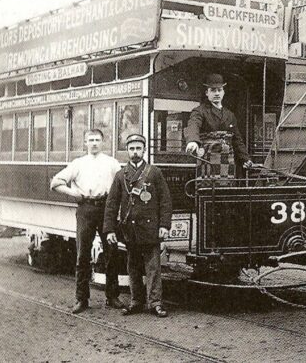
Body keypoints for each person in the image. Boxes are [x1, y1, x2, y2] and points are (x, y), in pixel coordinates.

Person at [50, 129, 124, 314]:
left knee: (111, 252)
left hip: (107, 209)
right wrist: (73, 193)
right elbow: (55, 183)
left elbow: (123, 185)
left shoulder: (112, 163)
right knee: (82, 254)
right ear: (85, 143)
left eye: (97, 140)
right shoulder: (78, 163)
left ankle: (112, 296)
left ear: (103, 142)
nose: (94, 143)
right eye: (90, 140)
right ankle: (81, 299)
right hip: (86, 209)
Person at [103, 133, 172, 318]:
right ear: (127, 151)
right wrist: (109, 229)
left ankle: (155, 303)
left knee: (153, 267)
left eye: (138, 148)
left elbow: (165, 201)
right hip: (130, 230)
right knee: (132, 267)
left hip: (150, 228)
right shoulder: (120, 175)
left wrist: (164, 225)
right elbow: (112, 204)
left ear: (144, 150)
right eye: (131, 149)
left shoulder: (154, 172)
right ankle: (136, 301)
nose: (135, 152)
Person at [185, 73, 254, 169]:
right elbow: (193, 124)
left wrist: (246, 159)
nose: (217, 93)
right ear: (207, 93)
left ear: (223, 92)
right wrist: (192, 141)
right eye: (213, 90)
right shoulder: (200, 111)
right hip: (207, 160)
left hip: (227, 161)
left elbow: (237, 140)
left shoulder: (230, 115)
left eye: (219, 90)